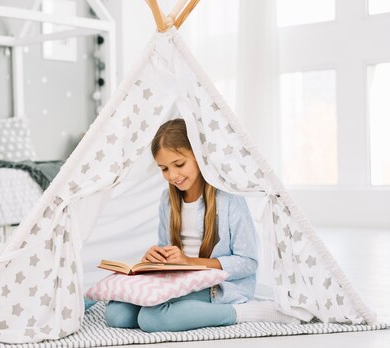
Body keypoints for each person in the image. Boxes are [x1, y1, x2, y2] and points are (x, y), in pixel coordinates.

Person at [103, 118, 298, 332]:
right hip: (177, 279)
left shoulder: (229, 199)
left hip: (215, 284)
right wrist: (155, 257)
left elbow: (247, 262)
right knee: (118, 315)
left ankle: (245, 312)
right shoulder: (167, 201)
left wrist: (190, 262)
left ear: (199, 156)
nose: (173, 176)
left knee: (152, 318)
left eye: (179, 164)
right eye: (164, 169)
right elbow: (167, 248)